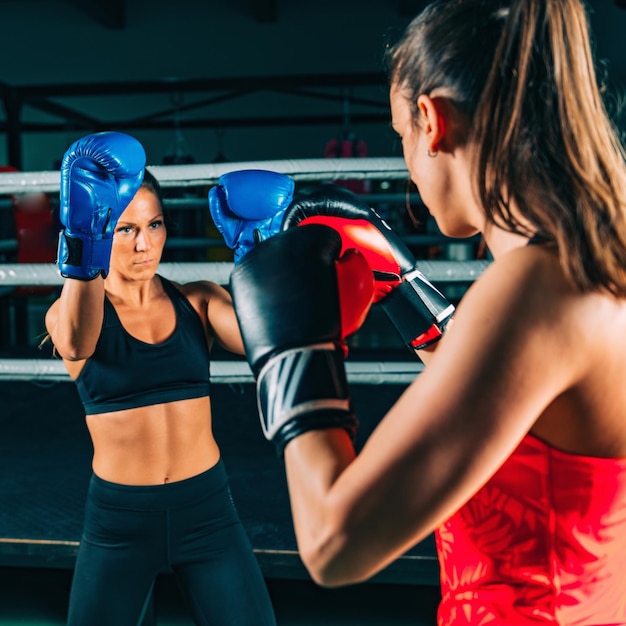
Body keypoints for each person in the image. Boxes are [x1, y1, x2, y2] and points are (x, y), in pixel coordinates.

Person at [224, 0, 626, 623]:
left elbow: (334, 543)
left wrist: (292, 349)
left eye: (400, 136)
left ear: (432, 121)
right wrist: (399, 283)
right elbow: (513, 395)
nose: (409, 165)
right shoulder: (591, 264)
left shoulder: (535, 291)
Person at [44, 131, 279, 626]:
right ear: (101, 226)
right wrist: (86, 242)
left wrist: (260, 259)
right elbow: (77, 344)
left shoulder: (199, 300)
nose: (145, 244)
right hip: (120, 522)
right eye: (125, 229)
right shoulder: (69, 313)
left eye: (154, 224)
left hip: (208, 511)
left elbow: (267, 339)